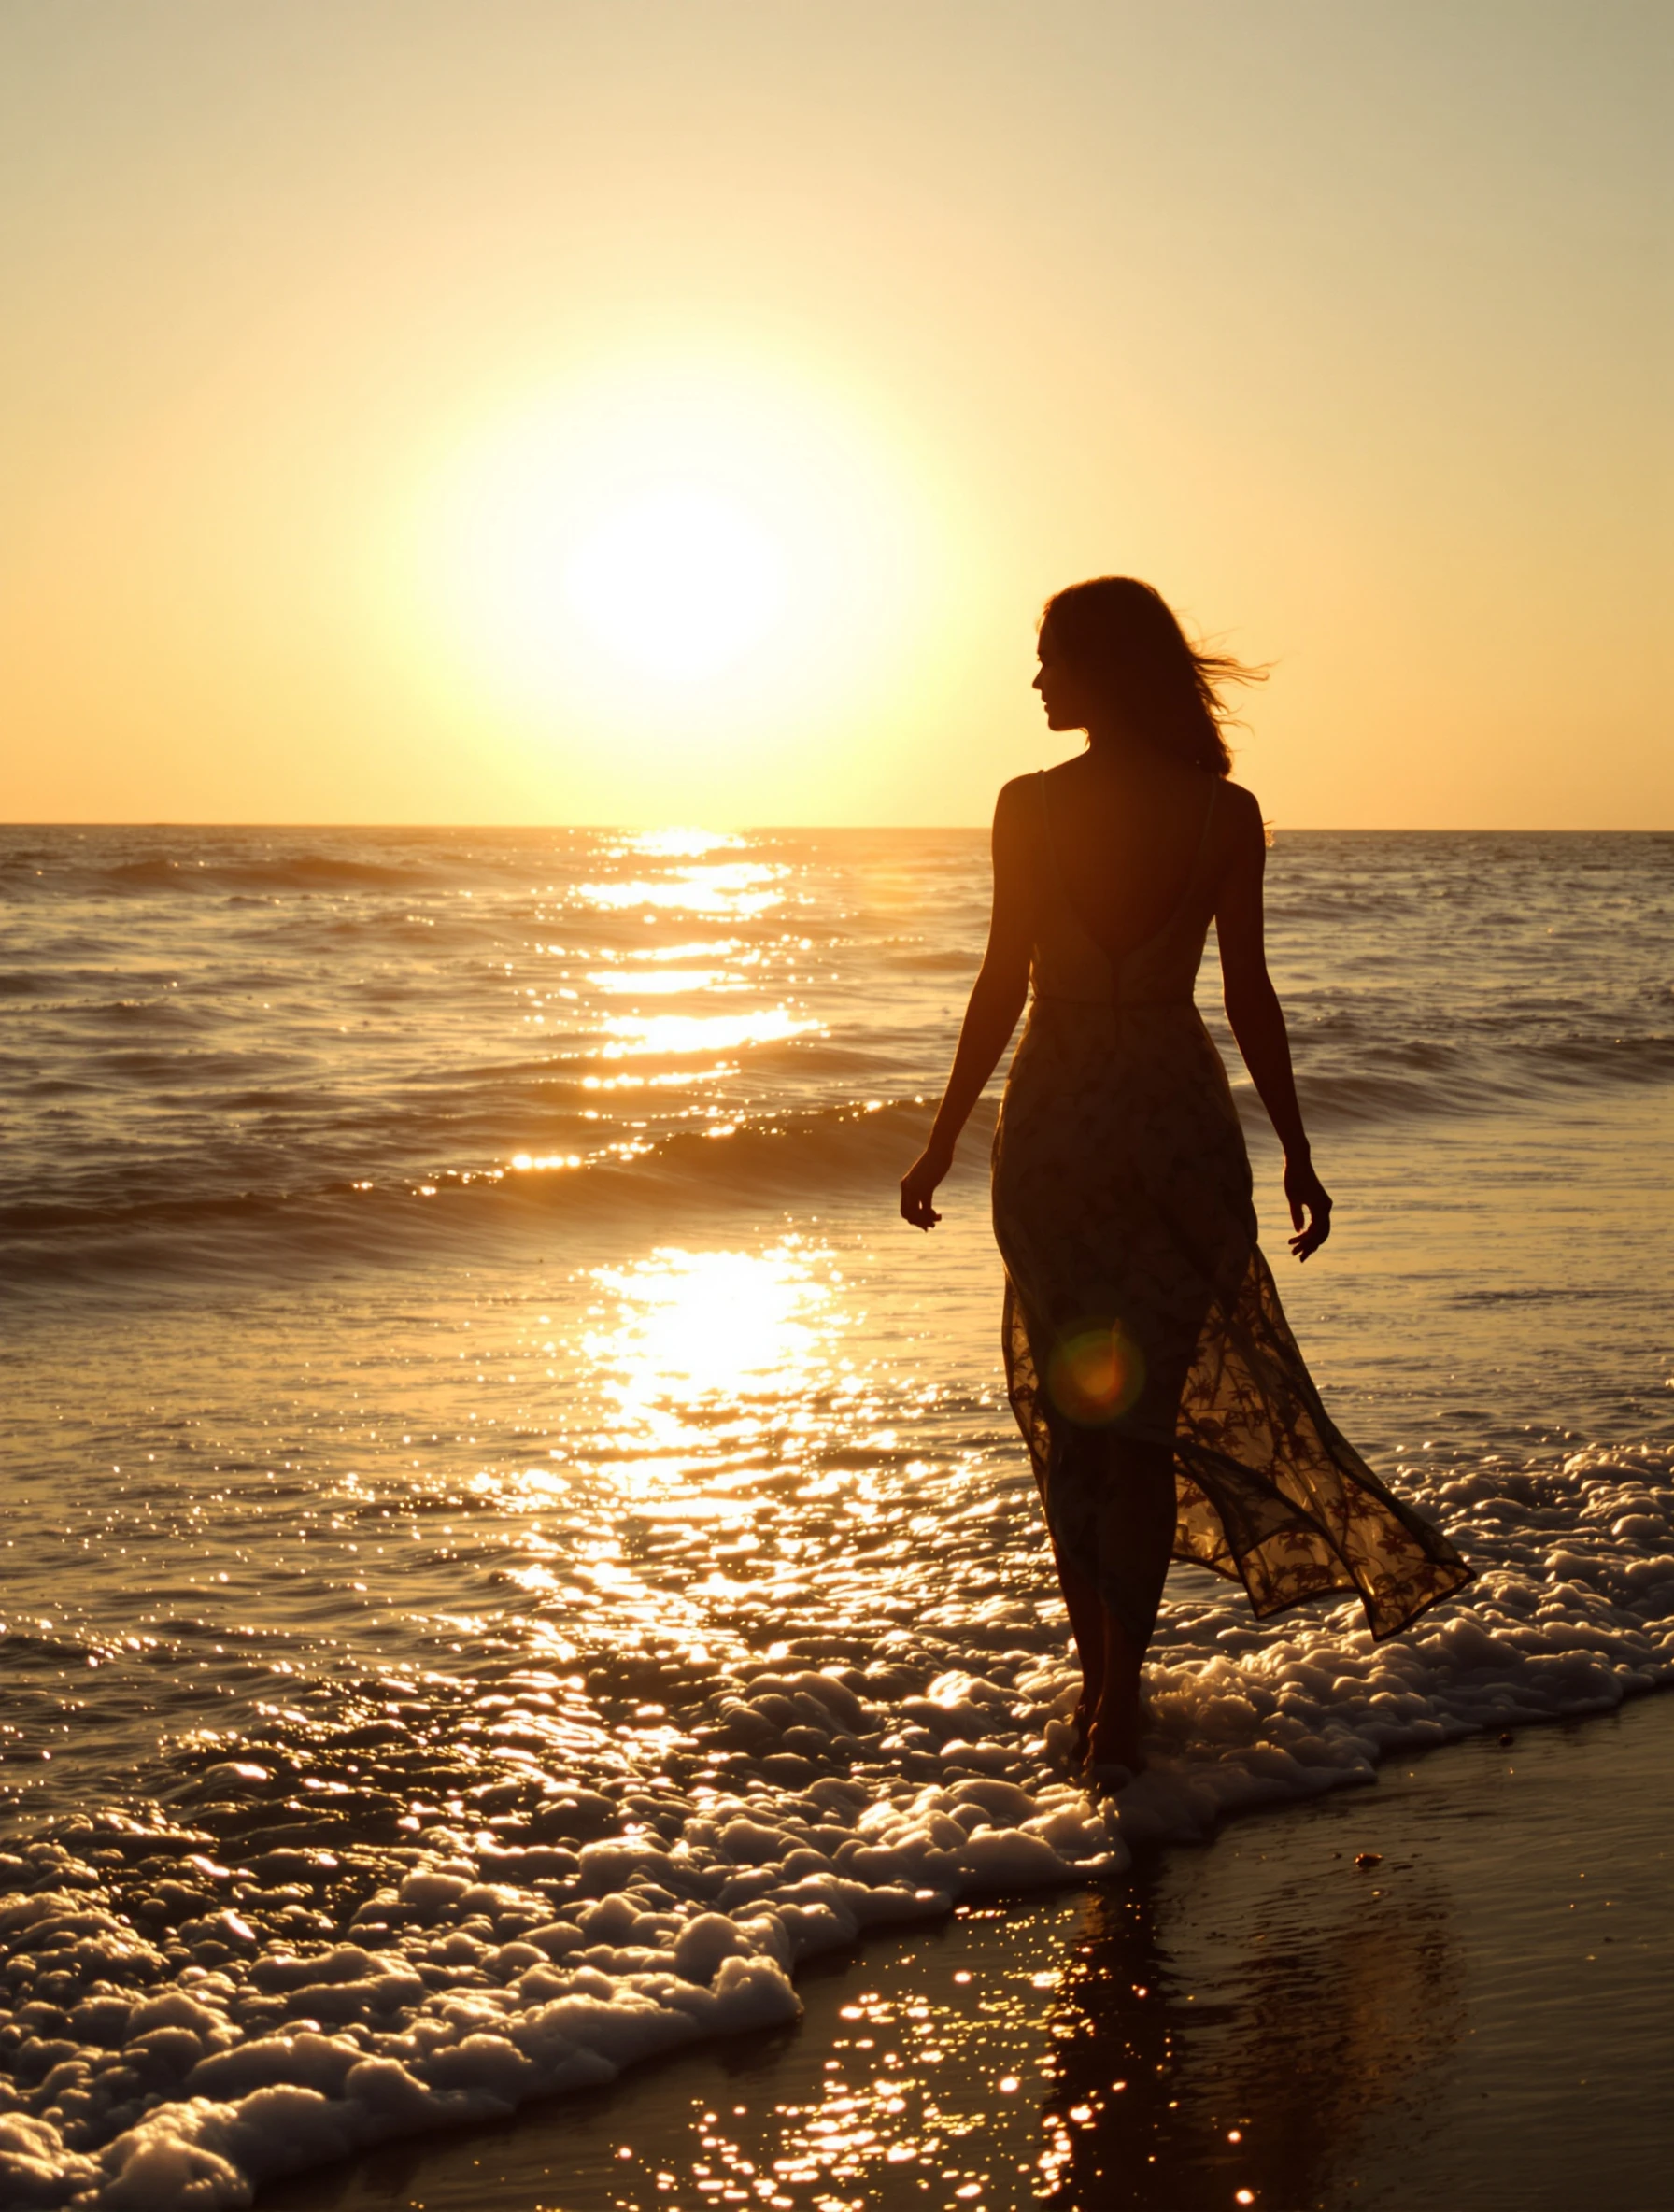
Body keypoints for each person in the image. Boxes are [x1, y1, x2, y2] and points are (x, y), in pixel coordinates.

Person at [900, 576, 1471, 1786]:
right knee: (1140, 1427)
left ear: (1104, 669)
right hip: (1172, 1124)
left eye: (1050, 658)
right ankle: (1120, 1703)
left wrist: (946, 1135)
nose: (1037, 681)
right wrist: (1297, 1148)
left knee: (1075, 1423)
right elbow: (1248, 996)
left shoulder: (1029, 808)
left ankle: (1105, 1686)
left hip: (1056, 1126)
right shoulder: (1224, 814)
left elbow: (1004, 982)